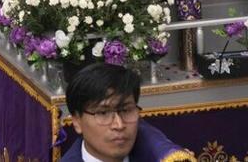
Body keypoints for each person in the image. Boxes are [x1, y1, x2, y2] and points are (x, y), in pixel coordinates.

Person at [61, 64, 190, 162]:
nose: (119, 125)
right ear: (77, 121)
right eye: (103, 113)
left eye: (126, 110)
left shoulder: (162, 157)